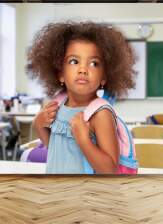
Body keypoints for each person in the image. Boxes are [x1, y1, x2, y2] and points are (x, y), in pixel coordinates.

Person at [28, 21, 136, 174]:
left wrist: (84, 141)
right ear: (60, 74)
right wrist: (39, 125)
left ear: (104, 77)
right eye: (74, 61)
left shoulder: (100, 114)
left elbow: (110, 169)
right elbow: (55, 150)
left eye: (94, 63)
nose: (83, 69)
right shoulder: (57, 106)